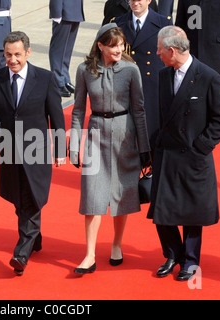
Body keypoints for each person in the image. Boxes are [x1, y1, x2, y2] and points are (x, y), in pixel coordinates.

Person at [0, 31, 66, 275]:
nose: (12, 59)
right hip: (9, 150)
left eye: (17, 54)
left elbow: (56, 116)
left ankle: (21, 253)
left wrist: (60, 149)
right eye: (8, 55)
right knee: (18, 199)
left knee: (31, 197)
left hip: (36, 150)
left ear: (28, 52)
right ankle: (34, 238)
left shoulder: (45, 78)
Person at [148, 26, 220, 281]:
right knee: (162, 210)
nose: (157, 53)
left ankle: (191, 261)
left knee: (192, 212)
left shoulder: (208, 76)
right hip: (166, 155)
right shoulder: (163, 75)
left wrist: (201, 147)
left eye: (160, 49)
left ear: (172, 50)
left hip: (193, 158)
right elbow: (161, 116)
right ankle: (172, 254)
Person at [69, 23, 151, 275]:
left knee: (121, 192)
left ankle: (116, 243)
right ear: (100, 45)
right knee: (92, 194)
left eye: (121, 45)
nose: (118, 49)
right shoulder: (84, 70)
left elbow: (139, 109)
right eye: (113, 45)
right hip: (95, 134)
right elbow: (78, 109)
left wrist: (144, 148)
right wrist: (74, 145)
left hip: (125, 135)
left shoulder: (131, 70)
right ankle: (90, 254)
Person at [115, 0, 172, 149]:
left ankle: (151, 164)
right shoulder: (119, 22)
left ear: (149, 1)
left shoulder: (163, 23)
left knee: (151, 126)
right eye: (132, 0)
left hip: (153, 84)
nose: (135, 3)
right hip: (126, 84)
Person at [175, 0, 220, 86]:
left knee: (214, 86)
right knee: (191, 85)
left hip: (217, 50)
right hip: (191, 48)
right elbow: (180, 23)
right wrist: (177, 46)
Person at [49, 0, 85, 97]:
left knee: (67, 50)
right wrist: (56, 11)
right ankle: (57, 81)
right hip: (63, 10)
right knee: (58, 49)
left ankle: (64, 78)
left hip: (75, 10)